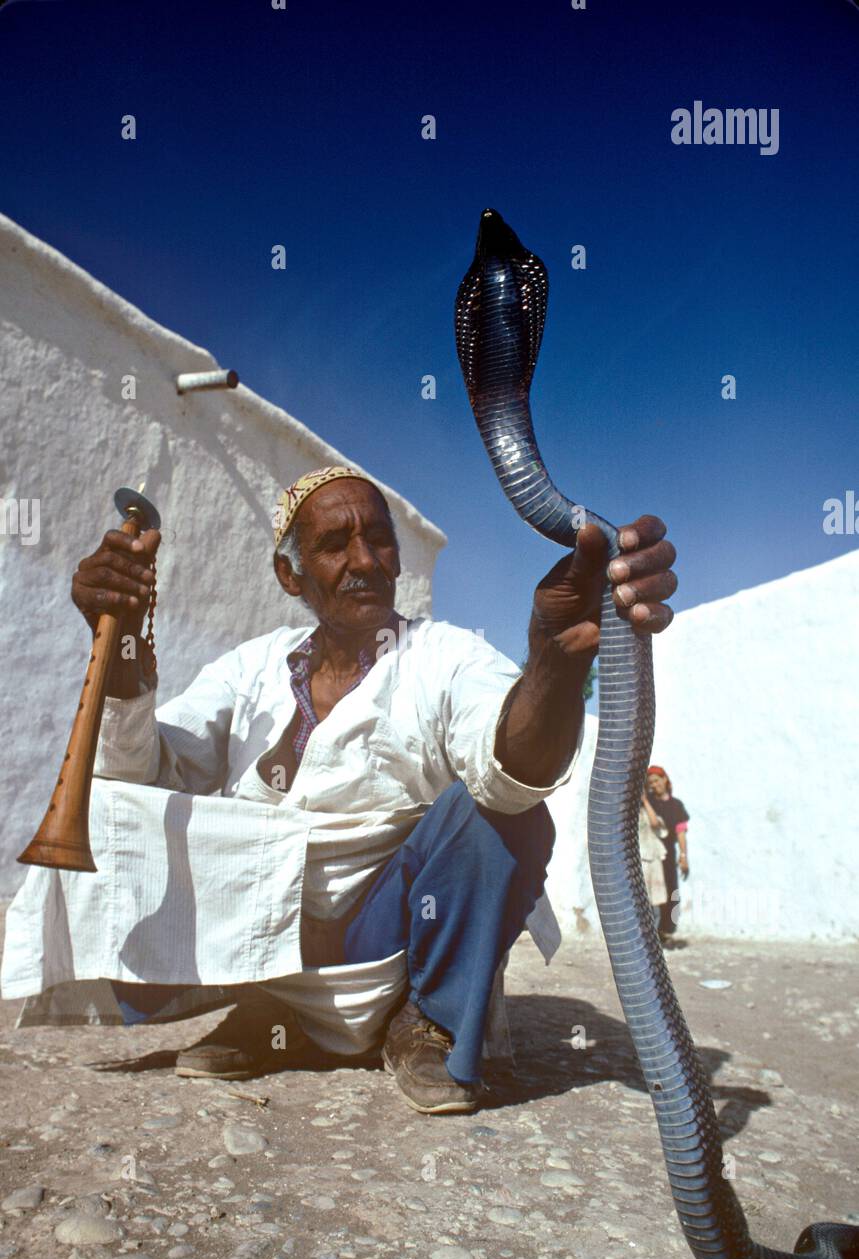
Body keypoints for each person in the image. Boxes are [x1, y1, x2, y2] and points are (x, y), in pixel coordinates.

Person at [6, 465, 678, 1115]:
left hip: (389, 941)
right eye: (334, 544)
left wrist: (552, 665)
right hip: (264, 940)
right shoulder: (252, 668)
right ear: (288, 574)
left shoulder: (445, 656)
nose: (365, 560)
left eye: (378, 538)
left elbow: (514, 775)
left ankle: (426, 1019)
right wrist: (121, 649)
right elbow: (141, 776)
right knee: (103, 802)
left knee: (504, 817)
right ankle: (274, 1012)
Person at [646, 765, 690, 947]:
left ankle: (667, 931)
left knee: (672, 892)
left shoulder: (676, 805)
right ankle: (651, 932)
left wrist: (683, 856)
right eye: (651, 783)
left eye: (657, 780)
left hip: (669, 854)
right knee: (654, 893)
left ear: (665, 779)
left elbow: (681, 832)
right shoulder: (649, 802)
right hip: (652, 853)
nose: (655, 785)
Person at [639, 790, 669, 939]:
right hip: (640, 861)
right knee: (641, 900)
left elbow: (655, 824)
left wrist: (645, 801)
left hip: (653, 859)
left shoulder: (647, 812)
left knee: (655, 901)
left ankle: (653, 936)